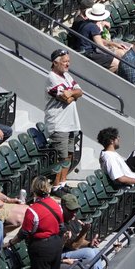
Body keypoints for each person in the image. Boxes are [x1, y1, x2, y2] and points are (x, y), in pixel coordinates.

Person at [43, 50, 82, 186]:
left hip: (71, 123)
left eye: (68, 61)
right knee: (61, 157)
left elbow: (80, 92)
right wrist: (72, 95)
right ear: (55, 62)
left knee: (69, 155)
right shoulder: (51, 77)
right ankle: (55, 186)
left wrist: (71, 93)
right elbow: (65, 99)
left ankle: (62, 184)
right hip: (58, 124)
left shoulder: (67, 76)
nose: (67, 64)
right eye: (65, 61)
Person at [18, 176, 64, 269]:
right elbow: (61, 226)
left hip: (41, 249)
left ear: (34, 190)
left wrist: (10, 243)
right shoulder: (57, 205)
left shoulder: (32, 210)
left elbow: (24, 232)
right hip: (56, 244)